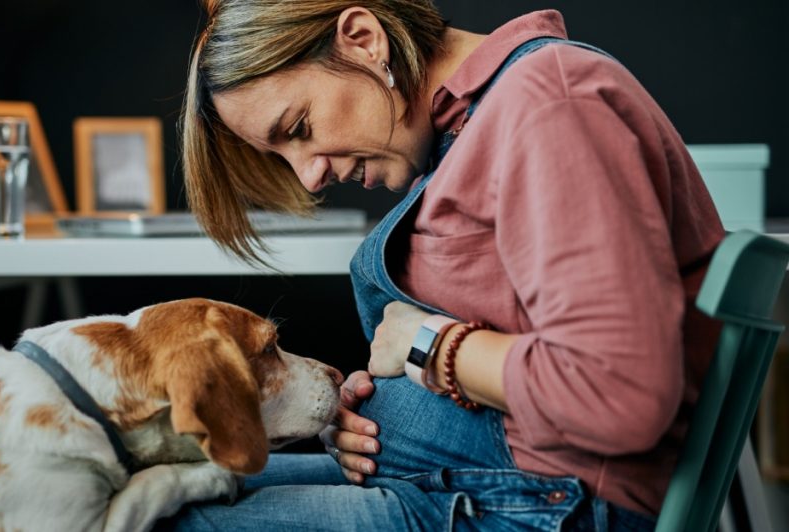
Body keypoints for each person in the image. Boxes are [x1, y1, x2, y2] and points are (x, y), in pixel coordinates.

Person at [169, 1, 725, 530]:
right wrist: (372, 421)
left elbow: (620, 389)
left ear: (363, 41)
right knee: (172, 483)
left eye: (298, 129)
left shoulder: (549, 105)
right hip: (479, 485)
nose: (309, 177)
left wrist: (430, 346)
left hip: (542, 507)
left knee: (159, 520)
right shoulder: (472, 123)